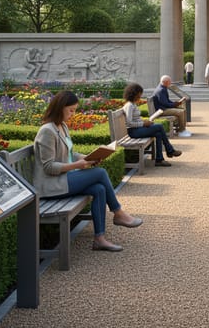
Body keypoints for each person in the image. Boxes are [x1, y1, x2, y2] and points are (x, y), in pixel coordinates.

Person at [33, 90, 142, 252]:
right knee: (100, 173)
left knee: (99, 189)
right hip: (51, 186)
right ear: (60, 108)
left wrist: (88, 157)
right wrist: (78, 165)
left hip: (64, 178)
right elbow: (49, 167)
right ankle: (118, 212)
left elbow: (69, 154)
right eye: (71, 110)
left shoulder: (61, 126)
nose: (73, 114)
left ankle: (100, 239)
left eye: (75, 110)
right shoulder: (47, 131)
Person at [122, 82, 181, 166]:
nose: (140, 96)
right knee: (159, 126)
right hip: (133, 132)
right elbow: (129, 123)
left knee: (158, 134)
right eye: (139, 94)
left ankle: (159, 159)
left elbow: (135, 119)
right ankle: (170, 150)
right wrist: (143, 124)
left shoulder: (133, 104)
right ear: (133, 94)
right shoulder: (129, 106)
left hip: (137, 129)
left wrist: (145, 121)